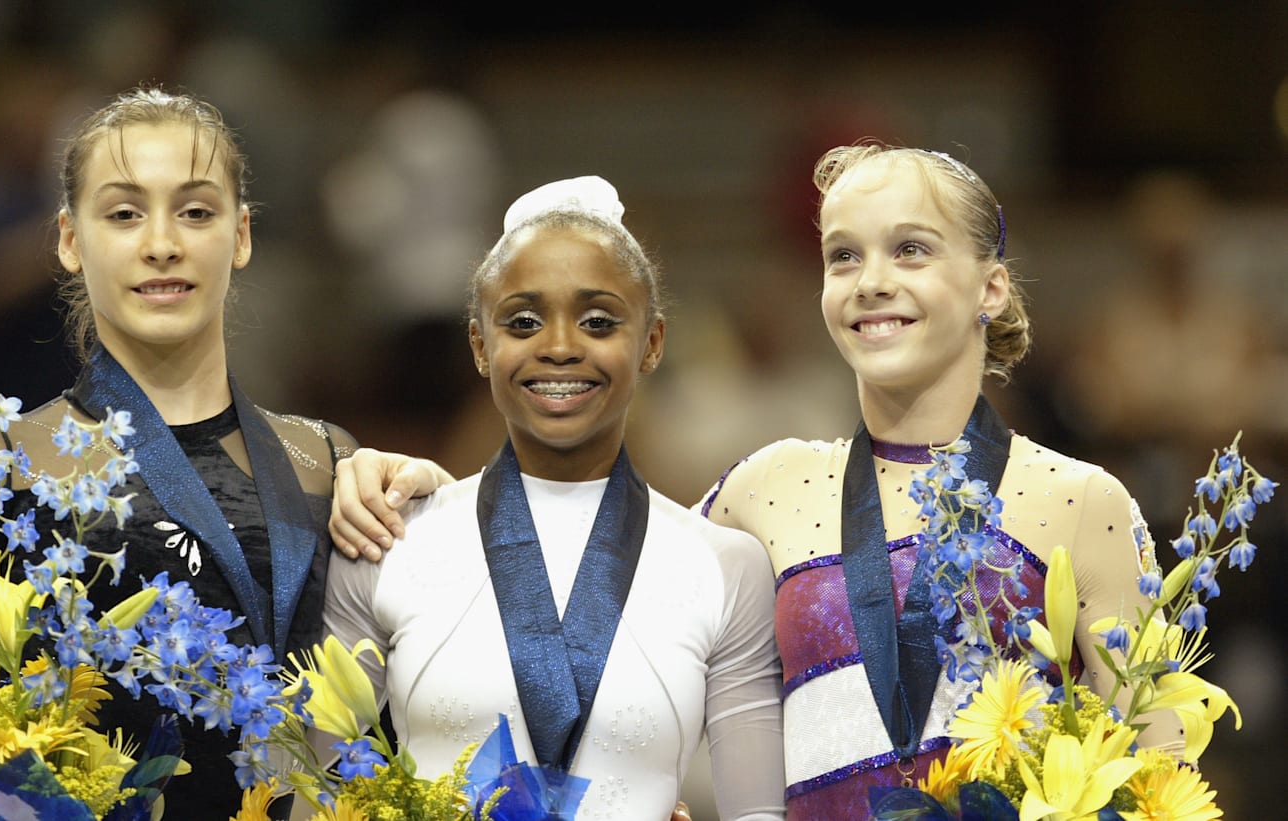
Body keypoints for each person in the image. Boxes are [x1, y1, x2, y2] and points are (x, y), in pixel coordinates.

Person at [328, 146, 1184, 819]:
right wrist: (431, 493)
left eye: (910, 250)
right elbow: (586, 556)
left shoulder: (1084, 501)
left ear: (991, 285)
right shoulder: (770, 488)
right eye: (843, 256)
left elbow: (1161, 780)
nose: (872, 281)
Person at [0, 87, 359, 820]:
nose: (162, 243)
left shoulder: (324, 461)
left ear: (241, 235)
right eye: (125, 213)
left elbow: (368, 737)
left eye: (196, 212)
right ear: (70, 240)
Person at [321, 176, 786, 820]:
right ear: (480, 346)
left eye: (598, 322)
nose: (561, 347)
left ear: (652, 343)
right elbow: (309, 788)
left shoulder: (726, 567)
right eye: (523, 322)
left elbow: (758, 815)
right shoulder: (388, 540)